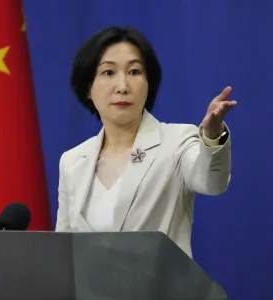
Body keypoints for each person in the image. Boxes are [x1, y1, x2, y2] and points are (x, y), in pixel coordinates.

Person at [55, 26, 236, 258]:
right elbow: (64, 251)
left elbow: (213, 182)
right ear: (88, 88)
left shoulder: (176, 142)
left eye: (134, 72)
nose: (122, 86)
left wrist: (212, 136)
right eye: (108, 73)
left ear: (149, 84)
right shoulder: (71, 162)